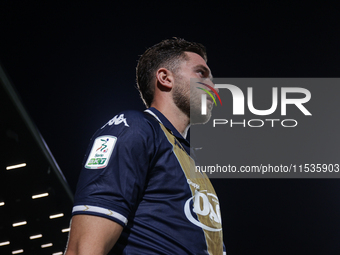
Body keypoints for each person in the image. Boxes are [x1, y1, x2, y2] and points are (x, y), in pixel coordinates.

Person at [65, 38, 225, 255]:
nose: (213, 87)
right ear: (165, 78)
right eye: (201, 73)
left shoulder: (190, 161)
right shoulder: (133, 128)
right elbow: (83, 249)